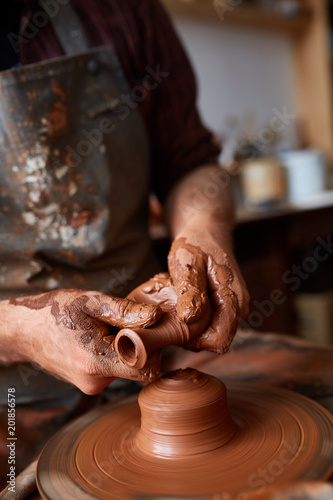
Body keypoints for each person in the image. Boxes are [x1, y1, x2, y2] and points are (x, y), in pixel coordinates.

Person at [0, 0, 249, 492]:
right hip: (11, 395)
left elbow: (191, 163)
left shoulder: (122, 8)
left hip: (165, 351)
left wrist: (202, 227)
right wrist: (22, 331)